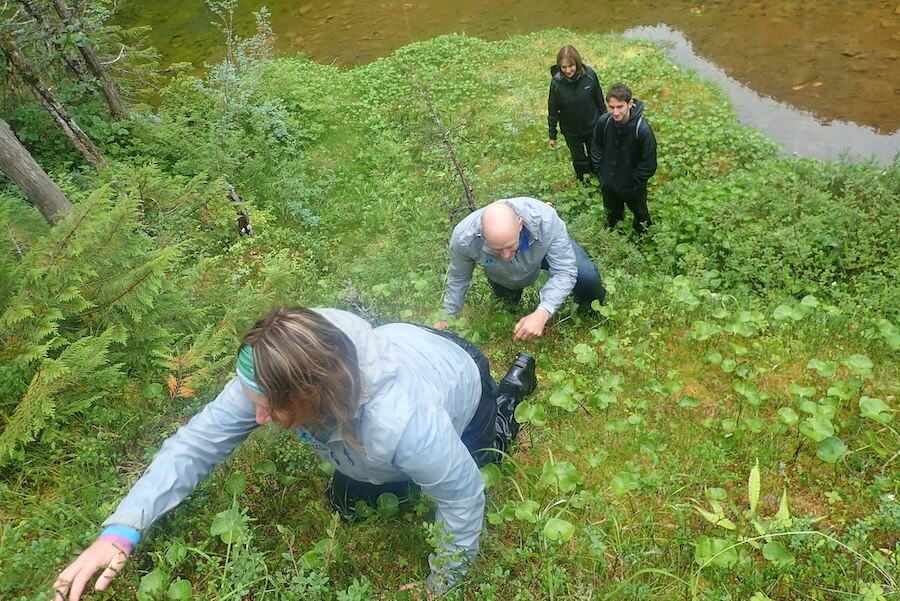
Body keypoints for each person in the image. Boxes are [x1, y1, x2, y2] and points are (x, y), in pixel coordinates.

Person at [52, 307, 537, 600]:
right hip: (402, 348)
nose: (257, 419)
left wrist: (442, 585)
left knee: (479, 464)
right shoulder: (274, 368)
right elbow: (197, 443)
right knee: (350, 502)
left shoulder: (405, 424)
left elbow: (463, 499)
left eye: (272, 408)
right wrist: (121, 530)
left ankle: (509, 394)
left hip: (459, 377)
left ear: (313, 393)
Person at [434, 198, 606, 341]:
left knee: (587, 277)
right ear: (483, 234)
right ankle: (509, 295)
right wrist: (448, 315)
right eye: (497, 249)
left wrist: (543, 311)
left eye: (509, 246)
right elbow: (458, 278)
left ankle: (589, 310)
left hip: (542, 251)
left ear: (520, 223)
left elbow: (564, 270)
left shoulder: (546, 220)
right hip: (502, 274)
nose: (506, 256)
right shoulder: (464, 238)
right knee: (507, 302)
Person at [590, 82, 658, 234]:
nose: (615, 112)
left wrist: (635, 181)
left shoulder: (642, 130)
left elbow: (649, 163)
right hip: (609, 183)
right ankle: (614, 236)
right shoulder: (604, 122)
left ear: (630, 104)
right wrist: (601, 170)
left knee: (641, 215)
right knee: (612, 215)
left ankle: (643, 239)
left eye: (620, 107)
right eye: (611, 107)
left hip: (632, 187)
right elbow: (596, 146)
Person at [547, 45, 606, 182]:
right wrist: (552, 135)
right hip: (571, 131)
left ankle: (598, 177)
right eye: (563, 67)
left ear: (577, 63)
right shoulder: (556, 84)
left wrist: (604, 125)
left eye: (571, 66)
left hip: (593, 126)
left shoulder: (590, 76)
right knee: (578, 158)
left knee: (595, 155)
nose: (568, 70)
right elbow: (553, 111)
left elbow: (600, 102)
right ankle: (583, 181)